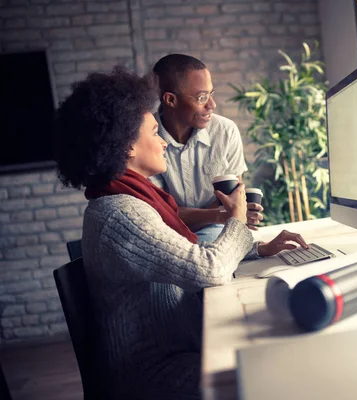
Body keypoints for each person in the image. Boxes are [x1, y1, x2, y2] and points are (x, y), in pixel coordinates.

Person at [53, 67, 308, 399]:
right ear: (127, 145)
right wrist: (237, 218)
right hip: (153, 375)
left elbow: (182, 254)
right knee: (272, 378)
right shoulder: (121, 214)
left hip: (174, 351)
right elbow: (209, 270)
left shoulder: (129, 201)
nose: (162, 142)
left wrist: (257, 249)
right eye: (154, 132)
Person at [150, 53, 263, 243]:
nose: (212, 105)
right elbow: (158, 214)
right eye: (201, 97)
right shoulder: (145, 139)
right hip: (166, 238)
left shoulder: (225, 131)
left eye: (211, 94)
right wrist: (221, 214)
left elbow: (232, 200)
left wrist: (229, 212)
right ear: (170, 100)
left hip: (217, 233)